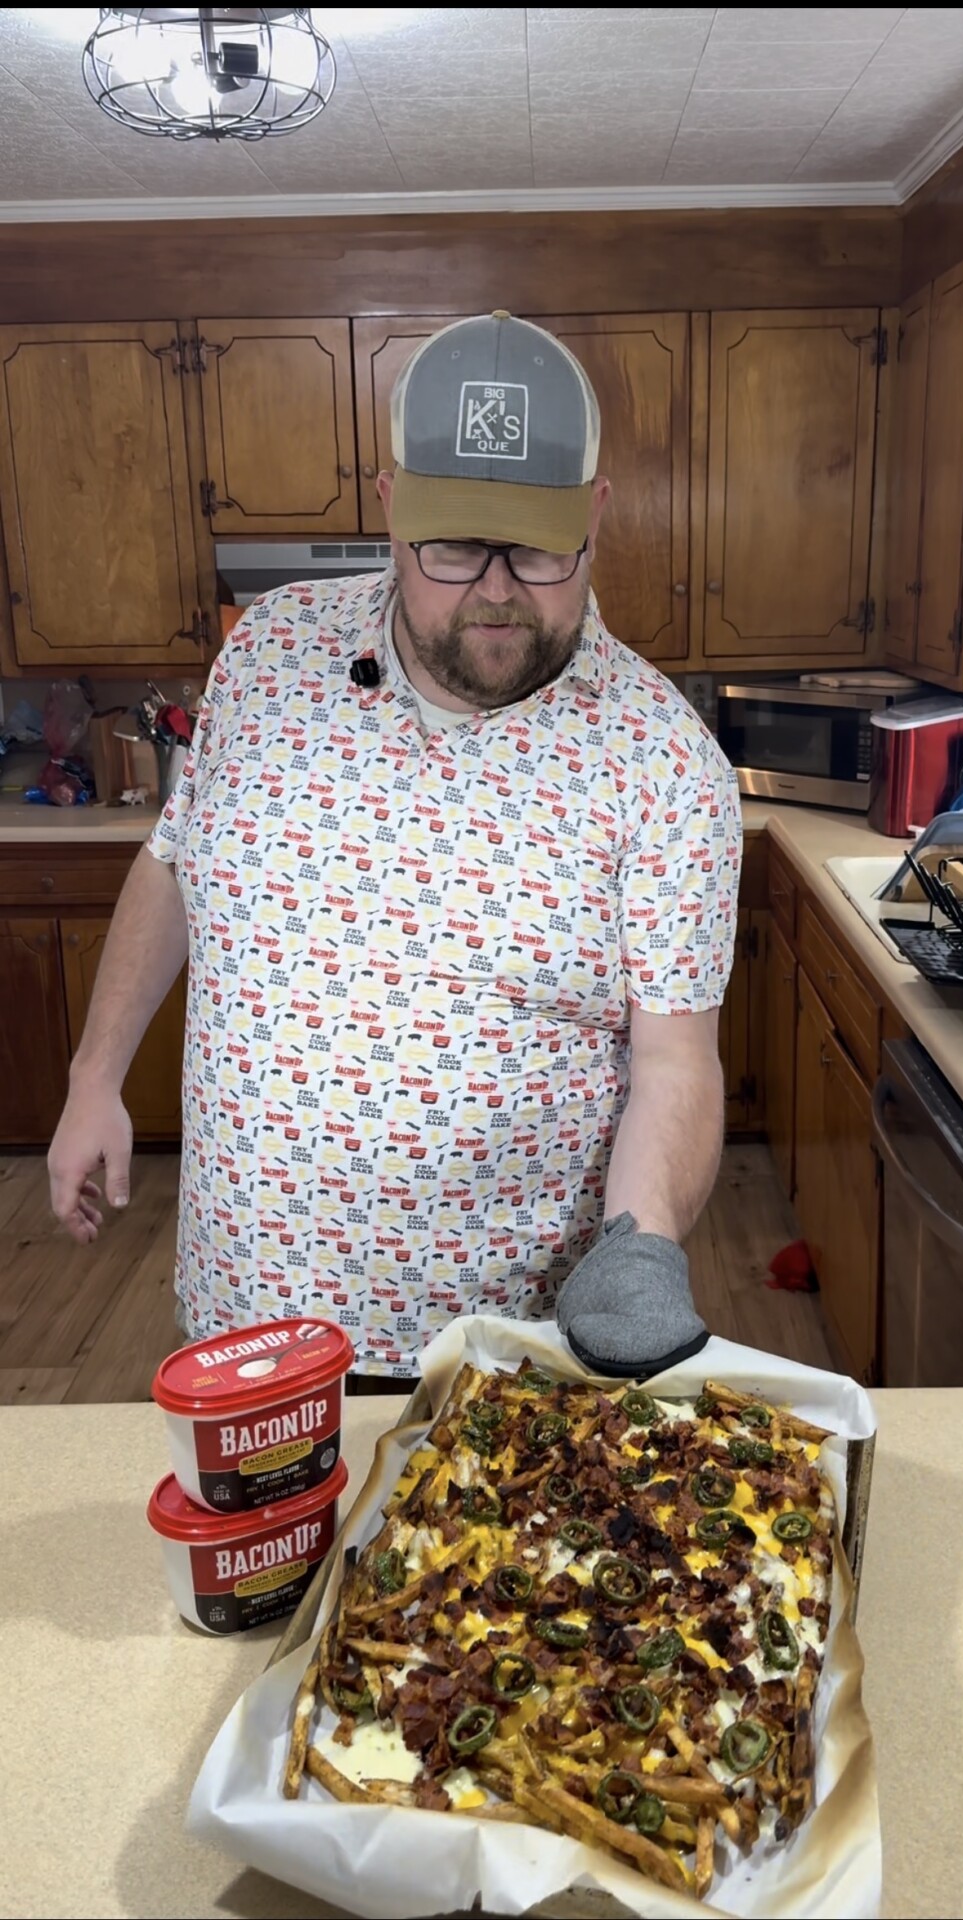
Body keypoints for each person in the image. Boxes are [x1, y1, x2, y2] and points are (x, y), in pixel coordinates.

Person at [47, 312, 742, 1388]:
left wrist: (639, 1249)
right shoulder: (269, 655)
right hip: (245, 1301)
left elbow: (674, 1059)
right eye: (455, 543)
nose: (498, 589)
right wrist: (96, 1074)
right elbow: (174, 865)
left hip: (498, 1346)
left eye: (538, 545)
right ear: (389, 507)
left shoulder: (663, 762)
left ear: (597, 515)